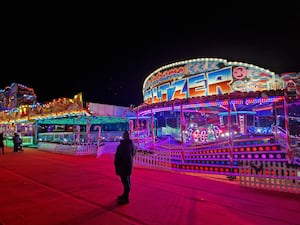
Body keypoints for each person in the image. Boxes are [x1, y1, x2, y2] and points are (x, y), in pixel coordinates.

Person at [114, 130, 136, 204]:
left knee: (125, 182)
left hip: (123, 166)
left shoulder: (122, 146)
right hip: (128, 165)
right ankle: (125, 195)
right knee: (127, 181)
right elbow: (133, 153)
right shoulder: (131, 145)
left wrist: (116, 163)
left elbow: (118, 156)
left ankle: (126, 198)